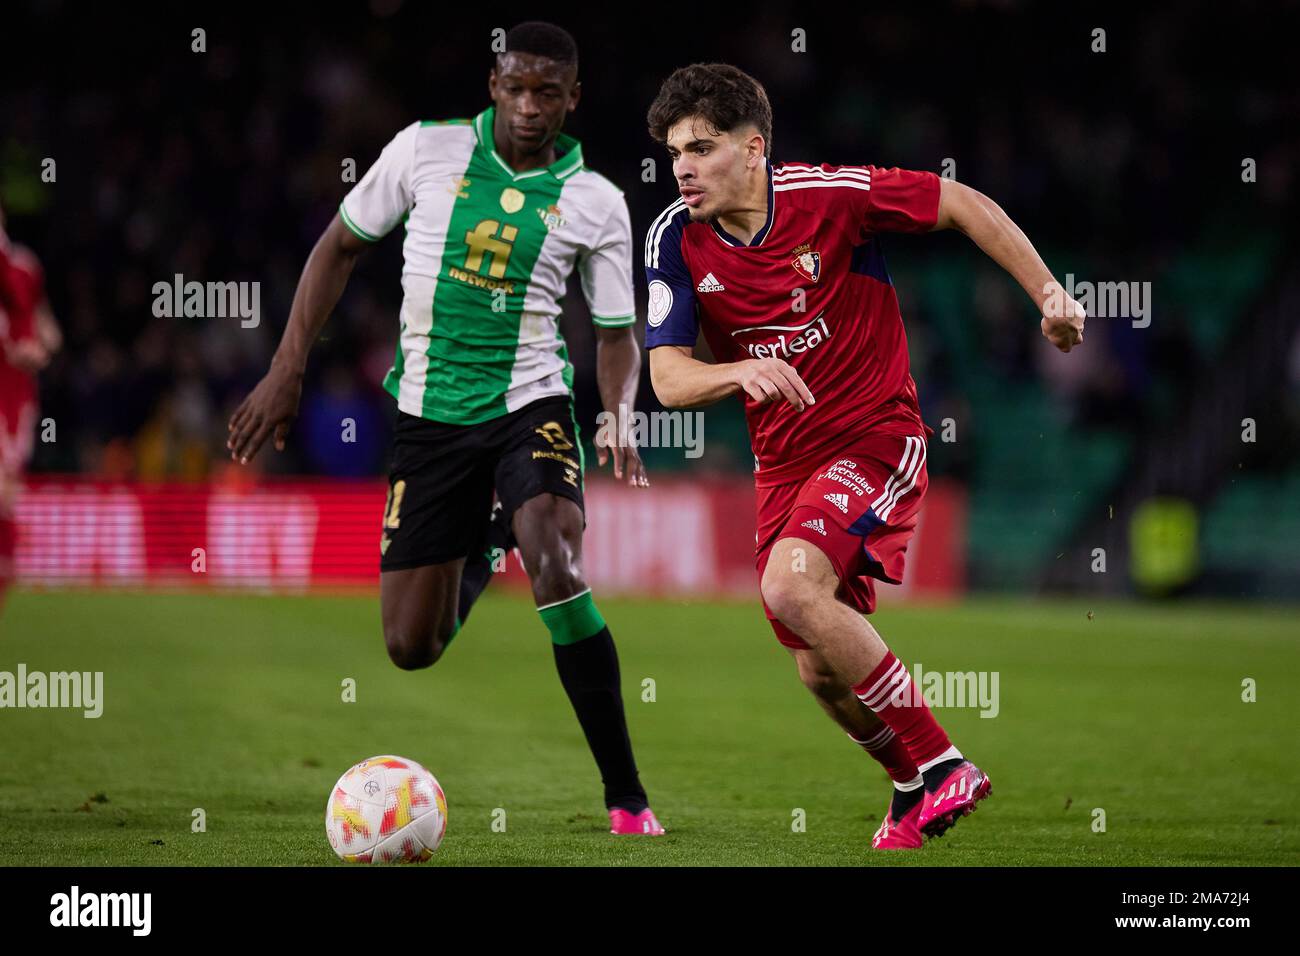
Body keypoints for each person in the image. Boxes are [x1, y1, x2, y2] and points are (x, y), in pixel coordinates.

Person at [228, 22, 664, 835]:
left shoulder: (598, 202)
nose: (529, 107)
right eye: (516, 88)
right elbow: (338, 248)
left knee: (557, 556)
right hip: (429, 419)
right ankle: (482, 543)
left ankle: (627, 796)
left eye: (547, 93)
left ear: (574, 99)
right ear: (492, 84)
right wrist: (287, 368)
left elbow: (613, 332)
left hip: (529, 407)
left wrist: (617, 413)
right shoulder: (424, 151)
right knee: (409, 646)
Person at [643, 63, 1085, 849]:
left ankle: (943, 760)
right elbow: (667, 380)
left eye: (701, 146)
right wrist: (737, 369)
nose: (681, 165)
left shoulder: (830, 196)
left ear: (754, 150)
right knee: (817, 668)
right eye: (675, 150)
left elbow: (961, 204)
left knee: (788, 585)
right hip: (782, 467)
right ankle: (909, 787)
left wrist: (1047, 293)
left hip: (876, 436)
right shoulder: (673, 240)